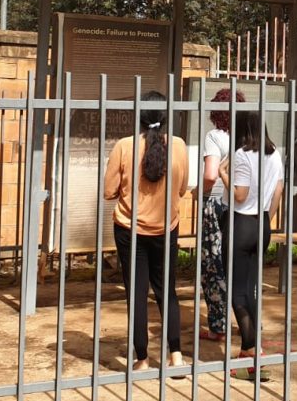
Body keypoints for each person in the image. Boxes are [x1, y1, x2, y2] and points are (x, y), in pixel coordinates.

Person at [103, 91, 189, 372]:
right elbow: (181, 188)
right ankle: (176, 356)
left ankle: (142, 359)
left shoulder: (124, 146)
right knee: (167, 292)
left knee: (137, 294)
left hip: (130, 229)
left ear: (139, 116)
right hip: (167, 227)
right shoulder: (178, 145)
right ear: (166, 116)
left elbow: (108, 191)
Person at [219, 109, 284, 380]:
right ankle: (250, 351)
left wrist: (223, 172)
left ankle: (252, 349)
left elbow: (240, 196)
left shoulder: (242, 155)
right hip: (262, 224)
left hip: (241, 224)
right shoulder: (274, 153)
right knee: (251, 289)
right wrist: (266, 219)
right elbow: (278, 190)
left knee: (237, 291)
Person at [199, 87, 243, 341]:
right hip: (242, 204)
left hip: (215, 202)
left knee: (214, 264)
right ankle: (248, 320)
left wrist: (199, 193)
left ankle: (219, 325)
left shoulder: (215, 136)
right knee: (241, 263)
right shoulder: (249, 136)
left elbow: (210, 174)